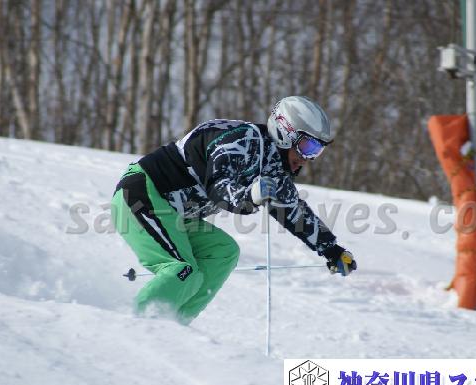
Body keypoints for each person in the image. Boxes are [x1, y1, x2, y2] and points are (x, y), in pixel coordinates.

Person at [111, 96, 357, 324]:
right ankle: (136, 327)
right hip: (142, 194)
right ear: (286, 131)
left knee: (223, 252)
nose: (308, 158)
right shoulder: (239, 140)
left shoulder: (274, 167)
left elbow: (293, 212)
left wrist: (332, 250)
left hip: (174, 214)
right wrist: (249, 196)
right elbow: (219, 187)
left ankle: (173, 325)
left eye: (317, 151)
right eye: (308, 146)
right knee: (182, 269)